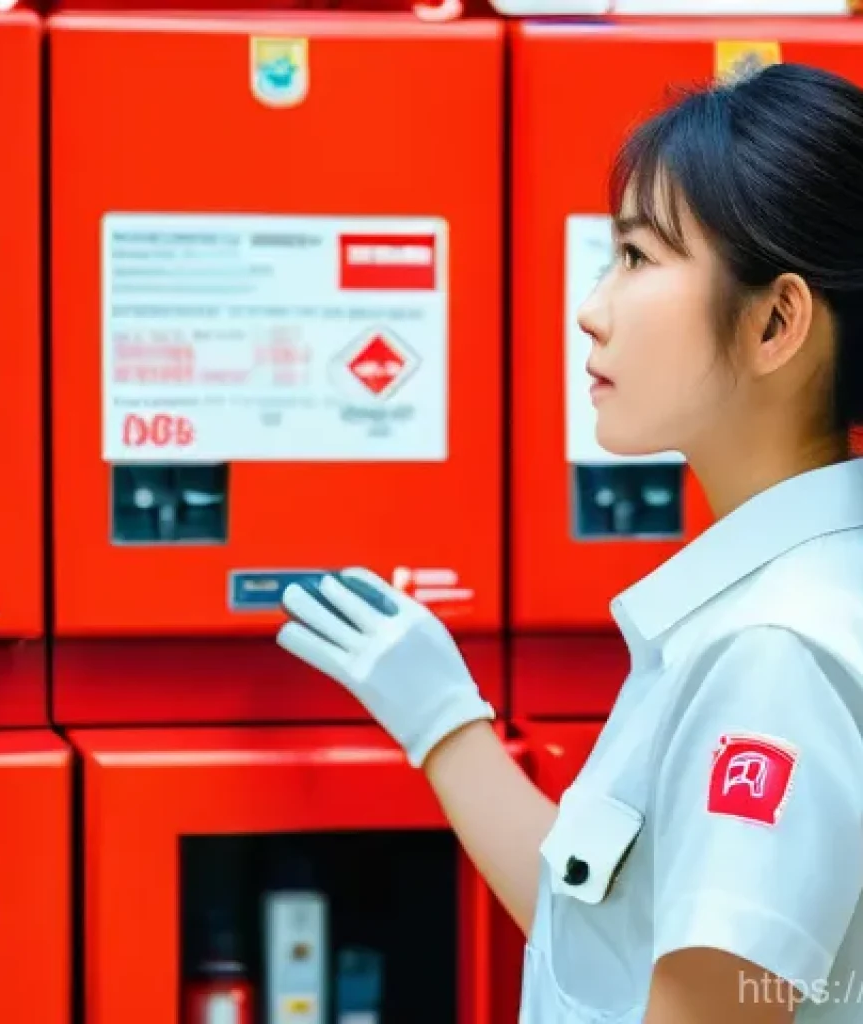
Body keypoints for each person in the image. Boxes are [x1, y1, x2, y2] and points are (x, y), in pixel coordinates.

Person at [275, 61, 863, 1023]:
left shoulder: (772, 653)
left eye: (637, 260)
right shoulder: (798, 599)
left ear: (775, 321)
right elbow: (608, 952)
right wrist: (444, 722)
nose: (592, 309)